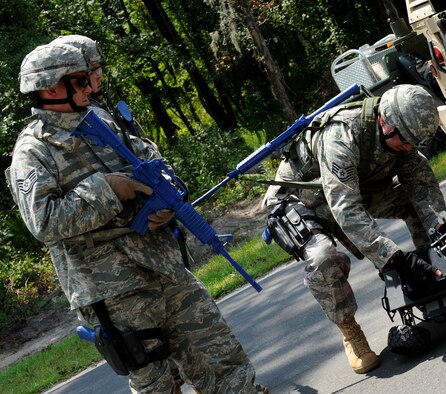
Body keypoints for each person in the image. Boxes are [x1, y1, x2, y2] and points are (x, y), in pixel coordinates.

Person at [6, 43, 267, 393]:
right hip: (113, 289)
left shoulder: (101, 119)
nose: (90, 87)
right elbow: (44, 222)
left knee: (219, 354)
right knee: (156, 383)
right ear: (51, 88)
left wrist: (166, 202)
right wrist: (109, 189)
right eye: (80, 81)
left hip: (165, 265)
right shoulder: (33, 150)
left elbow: (151, 160)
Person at [263, 84, 446, 374]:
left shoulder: (404, 135)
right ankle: (351, 333)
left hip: (350, 191)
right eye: (405, 141)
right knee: (323, 257)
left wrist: (439, 229)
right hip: (303, 202)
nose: (409, 147)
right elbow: (347, 211)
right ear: (385, 120)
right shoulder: (341, 136)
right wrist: (396, 259)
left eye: (415, 142)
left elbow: (423, 187)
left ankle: (435, 270)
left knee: (416, 204)